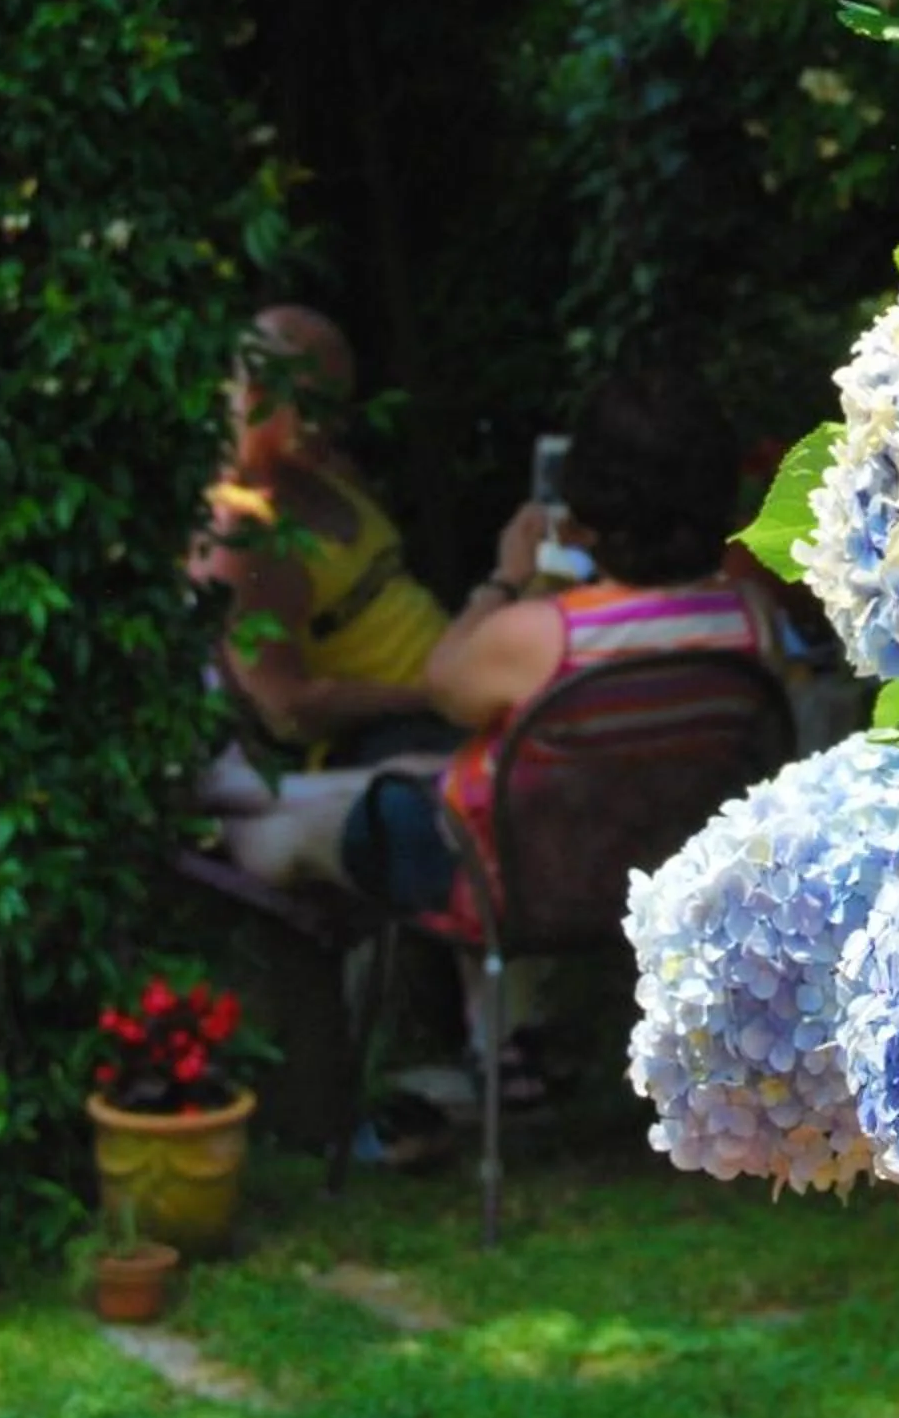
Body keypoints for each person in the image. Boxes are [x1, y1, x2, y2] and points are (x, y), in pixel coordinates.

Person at [220, 369, 783, 1115]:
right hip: (635, 872)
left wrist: (507, 576)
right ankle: (504, 1052)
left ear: (585, 501)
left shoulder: (542, 636)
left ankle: (231, 818)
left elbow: (442, 681)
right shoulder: (748, 621)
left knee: (264, 836)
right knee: (408, 774)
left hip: (499, 883)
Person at [191, 306, 455, 784]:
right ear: (257, 397)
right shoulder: (241, 534)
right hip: (383, 741)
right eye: (318, 409)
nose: (335, 426)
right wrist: (426, 697)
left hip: (450, 688)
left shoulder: (330, 470)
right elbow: (286, 709)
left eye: (342, 406)